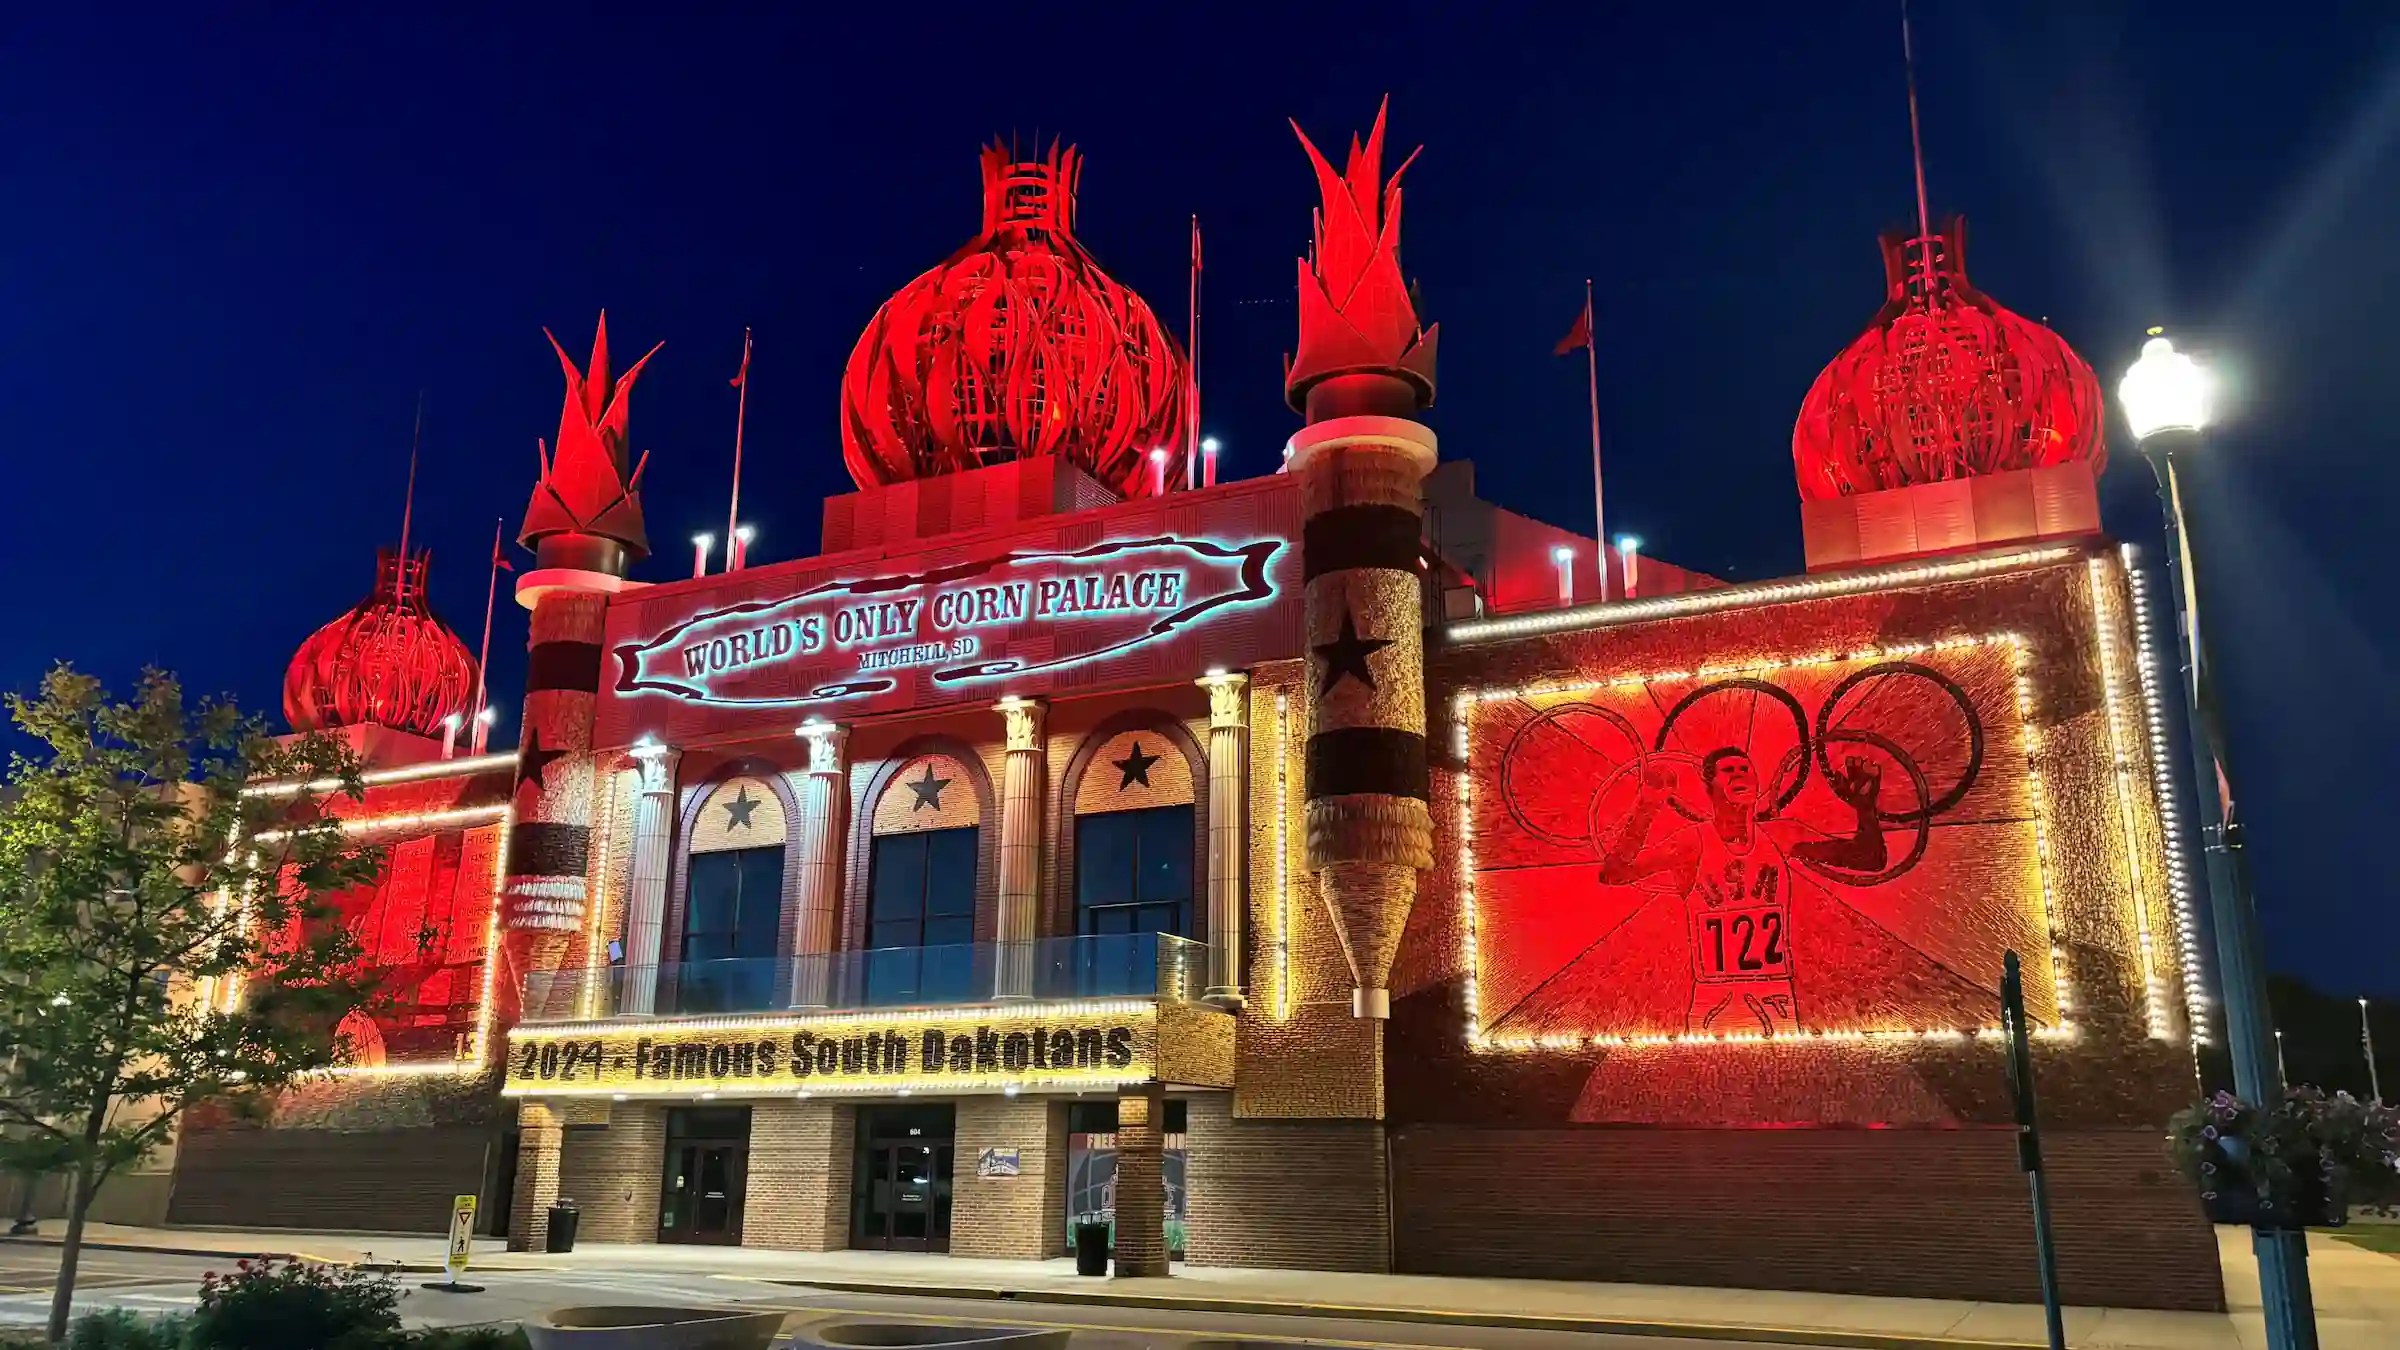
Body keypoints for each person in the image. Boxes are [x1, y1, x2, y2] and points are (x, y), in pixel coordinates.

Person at [1599, 747, 1885, 1035]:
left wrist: (1865, 808)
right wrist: (1647, 807)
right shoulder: (1691, 844)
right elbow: (1615, 874)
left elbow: (1869, 859)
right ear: (1709, 786)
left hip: (1775, 995)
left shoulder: (1783, 835)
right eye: (1729, 770)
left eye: (1745, 768)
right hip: (1714, 998)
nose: (1739, 773)